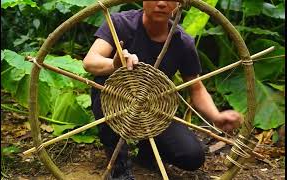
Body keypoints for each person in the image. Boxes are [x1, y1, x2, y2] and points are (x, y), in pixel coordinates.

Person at [83, 1, 243, 179]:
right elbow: (90, 61)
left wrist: (216, 116)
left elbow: (196, 88)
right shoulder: (120, 24)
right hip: (115, 104)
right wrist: (114, 64)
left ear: (178, 3)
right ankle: (118, 163)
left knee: (192, 156)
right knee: (104, 85)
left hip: (154, 111)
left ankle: (147, 153)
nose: (161, 3)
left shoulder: (182, 41)